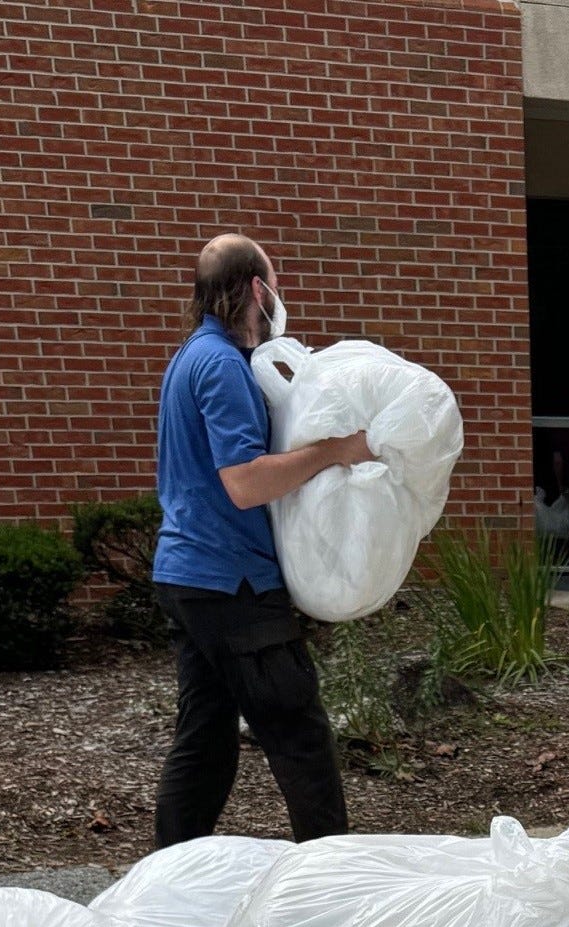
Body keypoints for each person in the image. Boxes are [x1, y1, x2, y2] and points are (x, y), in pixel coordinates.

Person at [151, 233, 370, 848]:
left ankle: (167, 878)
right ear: (256, 288)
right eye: (275, 282)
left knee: (205, 741)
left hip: (188, 575)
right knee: (299, 735)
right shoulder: (221, 364)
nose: (279, 294)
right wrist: (336, 450)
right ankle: (330, 879)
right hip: (232, 582)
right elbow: (245, 482)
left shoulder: (191, 356)